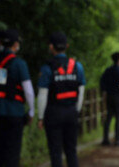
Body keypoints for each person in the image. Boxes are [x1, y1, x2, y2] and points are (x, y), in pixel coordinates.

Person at [0, 29, 35, 167]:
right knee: (12, 154)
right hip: (14, 114)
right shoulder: (19, 64)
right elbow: (28, 91)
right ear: (15, 45)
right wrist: (31, 111)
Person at [37, 32, 86, 167]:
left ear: (51, 47)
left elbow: (42, 94)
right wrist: (76, 110)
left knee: (55, 151)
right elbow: (81, 91)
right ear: (67, 46)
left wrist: (40, 117)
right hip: (71, 112)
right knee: (71, 150)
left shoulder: (47, 68)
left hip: (53, 113)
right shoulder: (77, 66)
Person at [100, 52, 119, 146]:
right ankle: (118, 139)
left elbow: (102, 82)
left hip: (109, 96)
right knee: (118, 118)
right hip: (118, 97)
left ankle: (105, 139)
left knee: (108, 118)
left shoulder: (108, 70)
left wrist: (104, 91)